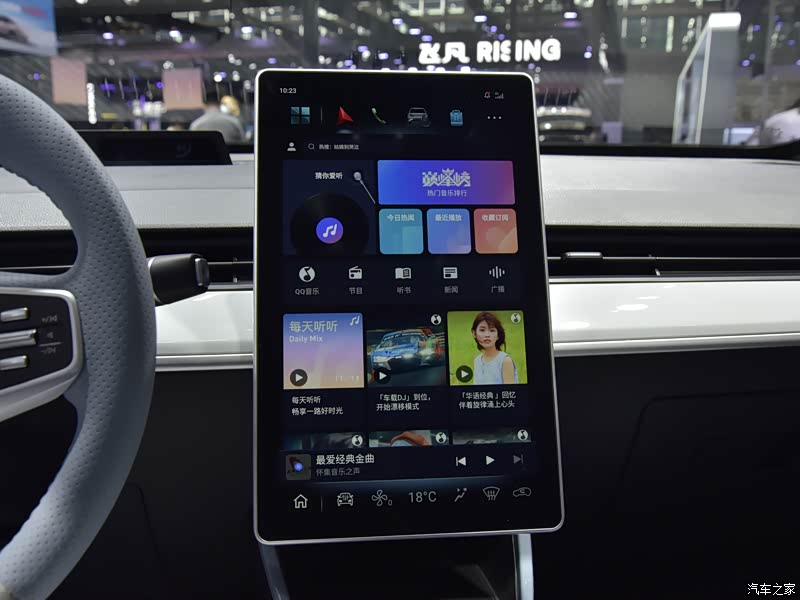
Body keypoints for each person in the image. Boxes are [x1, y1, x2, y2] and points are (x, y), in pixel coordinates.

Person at [471, 311, 519, 385]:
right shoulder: (477, 361)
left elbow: (510, 390)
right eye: (482, 330)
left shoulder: (505, 361)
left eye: (492, 330)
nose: (487, 335)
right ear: (474, 333)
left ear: (498, 335)